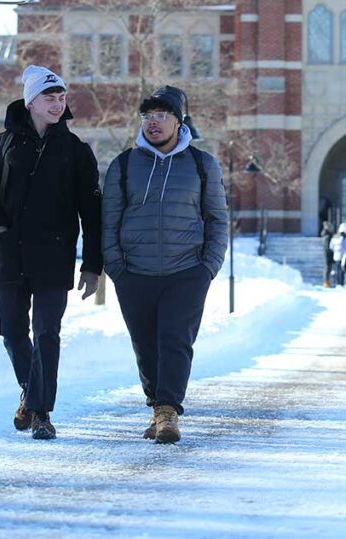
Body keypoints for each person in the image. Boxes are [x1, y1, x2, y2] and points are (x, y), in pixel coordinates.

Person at [0, 65, 102, 441]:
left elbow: (91, 212)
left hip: (54, 255)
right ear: (30, 102)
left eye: (62, 98)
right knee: (12, 332)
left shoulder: (77, 150)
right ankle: (32, 395)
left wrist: (93, 264)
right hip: (10, 254)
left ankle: (41, 412)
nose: (57, 103)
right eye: (49, 97)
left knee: (47, 332)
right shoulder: (1, 145)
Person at [102, 85, 228, 445]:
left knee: (175, 340)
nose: (153, 123)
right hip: (135, 272)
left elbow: (217, 219)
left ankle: (169, 411)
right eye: (147, 116)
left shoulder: (202, 165)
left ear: (179, 121)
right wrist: (117, 268)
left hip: (186, 270)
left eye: (161, 115)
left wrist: (208, 267)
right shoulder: (124, 165)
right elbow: (108, 221)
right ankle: (157, 408)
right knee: (145, 345)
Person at [330, 222, 346, 287]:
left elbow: (331, 246)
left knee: (337, 269)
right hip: (343, 256)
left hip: (336, 256)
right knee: (342, 270)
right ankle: (341, 282)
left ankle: (337, 282)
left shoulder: (335, 237)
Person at [320, 220, 335, 288]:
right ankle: (326, 282)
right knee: (327, 268)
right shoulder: (327, 236)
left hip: (328, 254)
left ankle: (327, 281)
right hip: (327, 254)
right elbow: (327, 247)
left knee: (328, 268)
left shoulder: (326, 235)